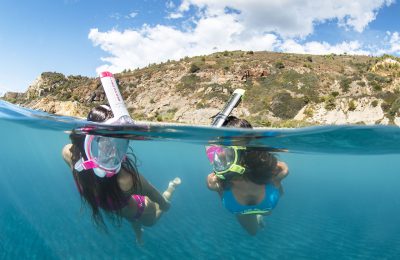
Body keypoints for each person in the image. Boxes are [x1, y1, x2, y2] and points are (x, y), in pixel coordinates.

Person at [62, 105, 181, 245]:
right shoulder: (71, 155)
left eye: (119, 142)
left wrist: (165, 205)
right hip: (126, 209)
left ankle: (171, 187)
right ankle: (139, 234)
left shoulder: (126, 180)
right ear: (88, 140)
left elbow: (155, 196)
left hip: (141, 208)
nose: (113, 151)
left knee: (152, 219)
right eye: (103, 141)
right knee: (132, 219)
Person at [206, 116, 288, 235]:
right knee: (254, 230)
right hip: (267, 205)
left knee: (254, 228)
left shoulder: (218, 171)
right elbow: (284, 169)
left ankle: (259, 215)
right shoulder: (266, 164)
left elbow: (212, 150)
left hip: (244, 208)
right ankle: (259, 216)